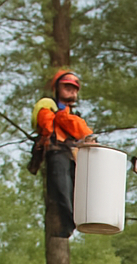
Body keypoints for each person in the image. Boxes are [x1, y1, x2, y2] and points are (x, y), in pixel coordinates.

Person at [31, 68, 95, 237]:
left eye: (74, 88)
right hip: (57, 153)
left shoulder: (73, 114)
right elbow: (47, 124)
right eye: (67, 87)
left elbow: (80, 130)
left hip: (72, 156)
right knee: (61, 189)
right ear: (57, 88)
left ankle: (77, 220)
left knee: (75, 191)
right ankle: (67, 224)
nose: (71, 91)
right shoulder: (48, 107)